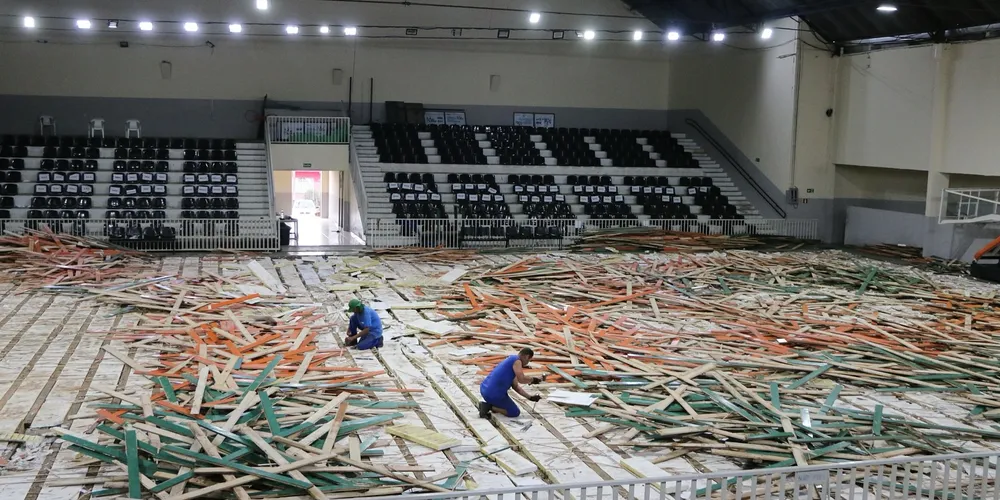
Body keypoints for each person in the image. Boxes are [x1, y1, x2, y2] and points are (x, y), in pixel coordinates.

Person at [478, 347, 542, 418]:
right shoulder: (517, 361)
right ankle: (488, 407)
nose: (527, 363)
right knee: (514, 412)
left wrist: (530, 397)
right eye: (529, 360)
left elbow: (516, 387)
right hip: (493, 394)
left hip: (484, 390)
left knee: (505, 404)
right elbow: (521, 379)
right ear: (527, 357)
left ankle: (493, 405)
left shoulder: (511, 359)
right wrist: (534, 380)